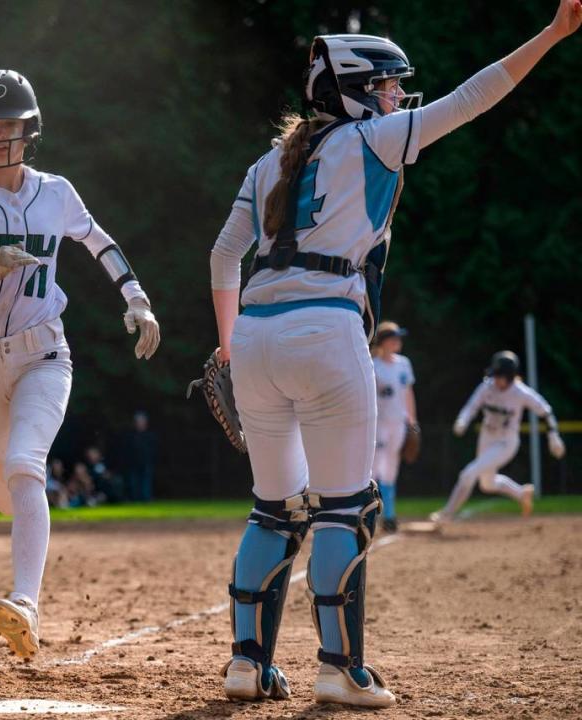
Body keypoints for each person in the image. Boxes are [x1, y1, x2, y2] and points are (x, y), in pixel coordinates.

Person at [208, 4, 581, 707]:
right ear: (348, 92)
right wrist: (553, 35)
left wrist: (229, 345)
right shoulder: (373, 141)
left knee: (274, 510)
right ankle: (339, 670)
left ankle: (245, 664)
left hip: (256, 332)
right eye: (383, 86)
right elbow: (476, 96)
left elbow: (225, 255)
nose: (393, 97)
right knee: (346, 508)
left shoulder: (265, 164)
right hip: (324, 325)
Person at [0, 68, 161, 660]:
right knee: (1, 482)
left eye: (8, 125)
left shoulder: (57, 192)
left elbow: (100, 241)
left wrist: (138, 301)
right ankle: (18, 527)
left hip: (45, 350)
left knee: (25, 464)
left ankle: (26, 603)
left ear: (29, 130)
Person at [432, 351, 565, 522]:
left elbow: (546, 411)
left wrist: (553, 435)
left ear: (510, 377)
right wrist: (462, 420)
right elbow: (471, 406)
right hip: (487, 437)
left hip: (506, 442)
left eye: (499, 376)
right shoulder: (487, 387)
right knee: (487, 484)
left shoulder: (521, 392)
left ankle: (447, 513)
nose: (495, 379)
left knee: (468, 474)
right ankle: (521, 493)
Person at [371, 322, 417, 532]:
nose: (398, 341)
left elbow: (408, 393)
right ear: (384, 342)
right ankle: (369, 515)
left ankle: (389, 516)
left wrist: (412, 420)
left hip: (398, 423)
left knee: (391, 468)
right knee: (374, 469)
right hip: (378, 422)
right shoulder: (373, 364)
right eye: (394, 337)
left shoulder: (403, 363)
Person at [125, 411, 157, 501]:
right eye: (138, 421)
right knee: (134, 483)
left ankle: (146, 499)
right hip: (133, 464)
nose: (140, 424)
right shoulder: (130, 436)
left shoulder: (151, 436)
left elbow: (154, 450)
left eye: (142, 421)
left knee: (146, 483)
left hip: (146, 463)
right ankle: (135, 499)